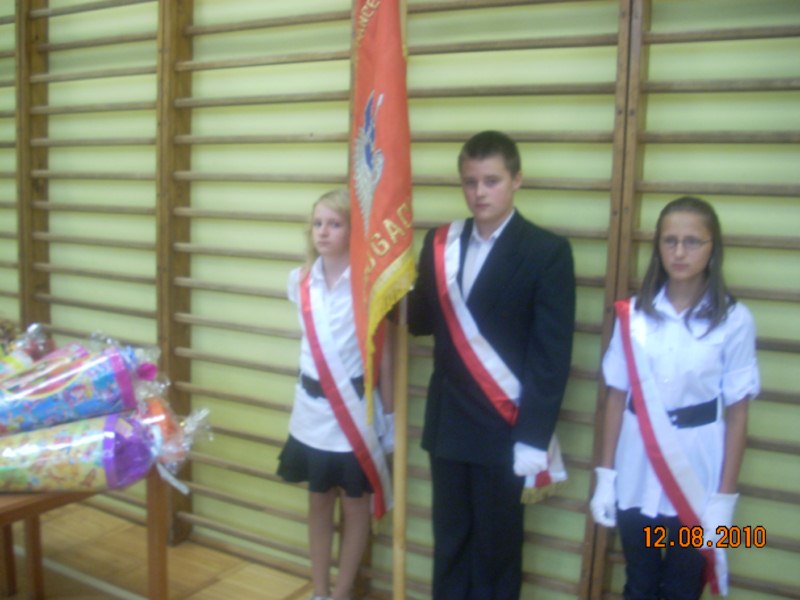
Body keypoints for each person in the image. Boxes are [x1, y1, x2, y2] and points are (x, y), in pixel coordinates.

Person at [407, 130, 576, 599]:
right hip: (449, 423)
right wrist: (389, 285)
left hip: (505, 428)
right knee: (450, 542)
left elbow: (550, 357)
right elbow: (421, 322)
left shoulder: (546, 252)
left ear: (516, 179)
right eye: (470, 182)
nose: (479, 192)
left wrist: (534, 437)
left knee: (496, 551)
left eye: (491, 181)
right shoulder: (440, 243)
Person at [590, 196, 760, 599]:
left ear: (712, 248)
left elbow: (738, 414)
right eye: (670, 241)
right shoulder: (633, 315)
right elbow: (615, 398)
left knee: (683, 587)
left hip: (695, 473)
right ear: (658, 247)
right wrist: (605, 477)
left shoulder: (734, 320)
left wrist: (724, 500)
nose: (680, 252)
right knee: (639, 583)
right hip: (636, 469)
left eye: (692, 241)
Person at [277, 189, 395, 600]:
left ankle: (342, 593)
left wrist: (391, 418)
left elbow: (386, 357)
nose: (323, 232)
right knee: (318, 500)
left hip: (354, 412)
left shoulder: (369, 286)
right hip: (310, 412)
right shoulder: (299, 281)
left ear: (352, 232)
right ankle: (320, 591)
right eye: (318, 224)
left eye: (335, 224)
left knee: (356, 504)